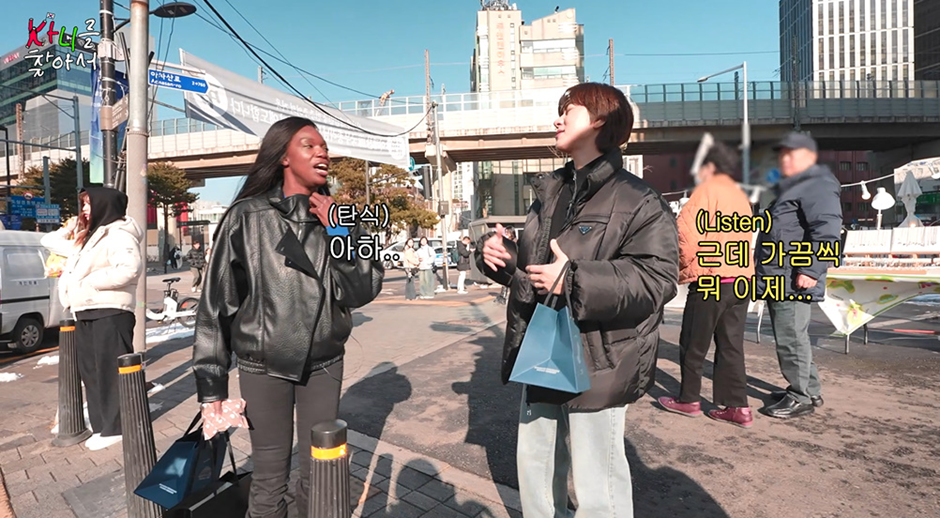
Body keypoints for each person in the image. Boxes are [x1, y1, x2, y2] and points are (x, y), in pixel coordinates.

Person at [476, 82, 679, 517]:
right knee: (535, 465)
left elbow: (658, 278)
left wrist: (573, 279)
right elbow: (536, 269)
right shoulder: (551, 193)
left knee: (597, 482)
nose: (558, 119)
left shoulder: (639, 199)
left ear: (601, 121)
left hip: (600, 357)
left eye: (569, 111)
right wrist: (502, 259)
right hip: (542, 345)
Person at [191, 117, 383, 518]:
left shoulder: (342, 217)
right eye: (309, 145)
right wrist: (212, 386)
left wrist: (339, 233)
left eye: (324, 147)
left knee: (322, 473)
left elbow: (362, 290)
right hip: (263, 365)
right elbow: (216, 304)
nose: (322, 153)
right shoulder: (247, 216)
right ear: (282, 157)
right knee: (268, 478)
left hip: (324, 362)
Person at [657, 140, 756, 428]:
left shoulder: (706, 192)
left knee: (693, 343)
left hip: (712, 278)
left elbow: (684, 236)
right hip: (740, 279)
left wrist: (681, 270)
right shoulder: (740, 195)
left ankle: (689, 399)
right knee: (731, 346)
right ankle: (738, 407)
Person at [42, 187, 143, 451]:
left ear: (104, 204)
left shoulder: (119, 232)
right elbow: (48, 242)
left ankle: (116, 427)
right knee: (91, 371)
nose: (84, 209)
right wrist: (70, 228)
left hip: (110, 310)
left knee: (109, 372)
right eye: (83, 204)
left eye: (88, 204)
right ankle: (102, 426)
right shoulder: (88, 235)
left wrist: (91, 282)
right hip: (85, 309)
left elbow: (130, 269)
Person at [756, 132, 842, 419]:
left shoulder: (815, 183)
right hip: (780, 274)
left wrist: (812, 269)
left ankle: (801, 395)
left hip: (794, 275)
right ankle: (810, 389)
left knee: (791, 337)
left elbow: (827, 229)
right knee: (794, 336)